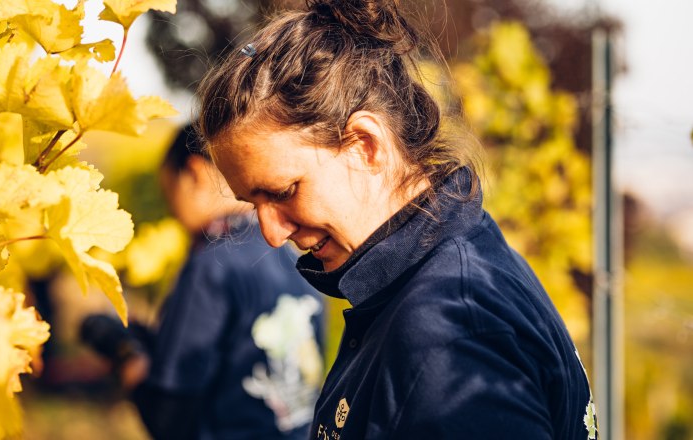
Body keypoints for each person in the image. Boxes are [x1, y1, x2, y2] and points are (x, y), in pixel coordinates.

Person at [193, 0, 598, 439]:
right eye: (253, 204)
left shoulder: (449, 337)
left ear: (367, 145)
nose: (271, 234)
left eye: (283, 191)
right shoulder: (446, 274)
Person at [81, 124, 325, 440]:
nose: (174, 214)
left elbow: (168, 417)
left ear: (193, 173)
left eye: (169, 193)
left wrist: (123, 352)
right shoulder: (292, 255)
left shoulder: (212, 266)